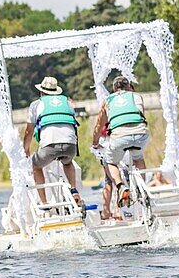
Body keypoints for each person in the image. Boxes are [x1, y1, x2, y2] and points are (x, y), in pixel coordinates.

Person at [22, 76, 82, 207]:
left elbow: (28, 131)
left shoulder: (36, 104)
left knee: (36, 166)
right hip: (70, 145)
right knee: (67, 162)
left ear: (41, 92)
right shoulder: (68, 102)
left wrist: (26, 149)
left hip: (49, 145)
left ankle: (44, 202)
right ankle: (73, 190)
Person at [92, 75, 149, 208]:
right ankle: (143, 189)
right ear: (129, 87)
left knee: (110, 161)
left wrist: (95, 142)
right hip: (141, 133)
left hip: (119, 137)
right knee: (138, 158)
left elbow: (99, 126)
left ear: (114, 89)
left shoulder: (108, 101)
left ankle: (121, 186)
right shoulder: (136, 96)